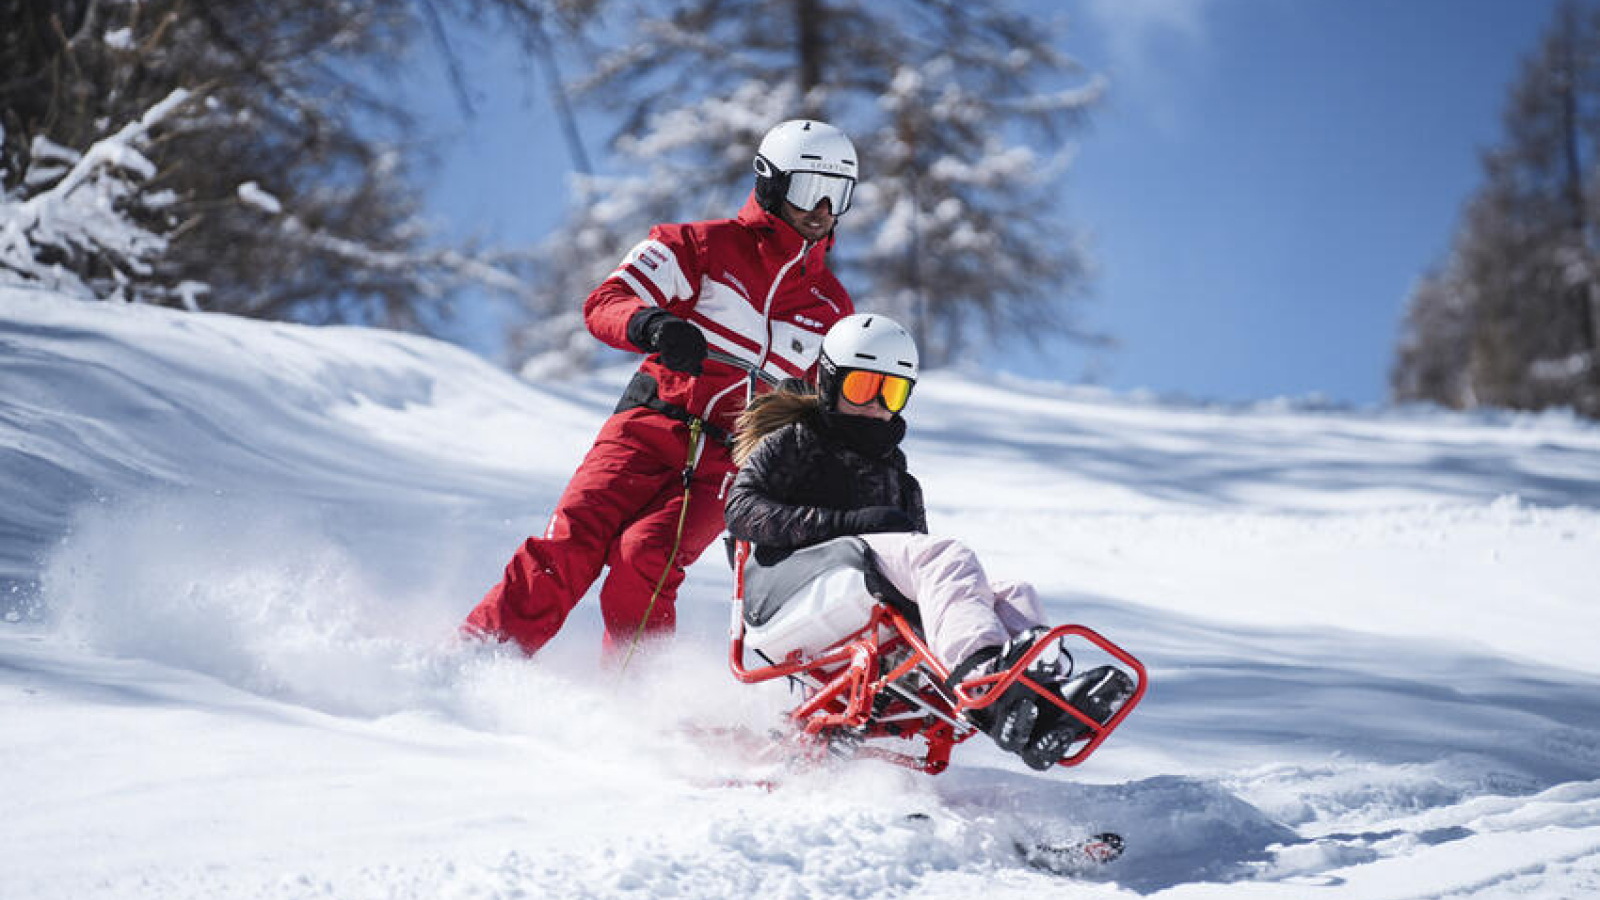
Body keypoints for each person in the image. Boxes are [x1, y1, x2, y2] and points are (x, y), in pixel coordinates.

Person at [463, 120, 860, 656]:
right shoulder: (697, 245)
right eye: (811, 190)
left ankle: (638, 702)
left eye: (839, 196)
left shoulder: (831, 308)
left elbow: (825, 413)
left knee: (645, 557)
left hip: (728, 462)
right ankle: (482, 655)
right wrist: (653, 325)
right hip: (648, 425)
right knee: (572, 539)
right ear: (770, 184)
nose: (823, 211)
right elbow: (605, 302)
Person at [723, 313, 1087, 770]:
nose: (876, 403)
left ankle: (1040, 702)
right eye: (862, 387)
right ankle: (981, 674)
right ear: (830, 383)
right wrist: (844, 523)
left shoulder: (899, 476)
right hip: (789, 589)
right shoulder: (795, 441)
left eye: (890, 392)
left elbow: (928, 580)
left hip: (856, 593)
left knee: (1012, 596)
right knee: (949, 560)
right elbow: (740, 511)